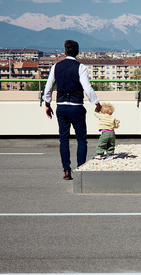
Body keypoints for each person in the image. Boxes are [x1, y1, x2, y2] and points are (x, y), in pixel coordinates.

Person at [43, 39, 101, 180]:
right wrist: (96, 103)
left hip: (61, 107)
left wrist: (47, 103)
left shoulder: (56, 67)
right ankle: (81, 169)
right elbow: (87, 88)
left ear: (64, 51)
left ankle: (66, 170)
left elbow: (49, 86)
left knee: (64, 140)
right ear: (78, 52)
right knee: (81, 139)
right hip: (76, 107)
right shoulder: (81, 67)